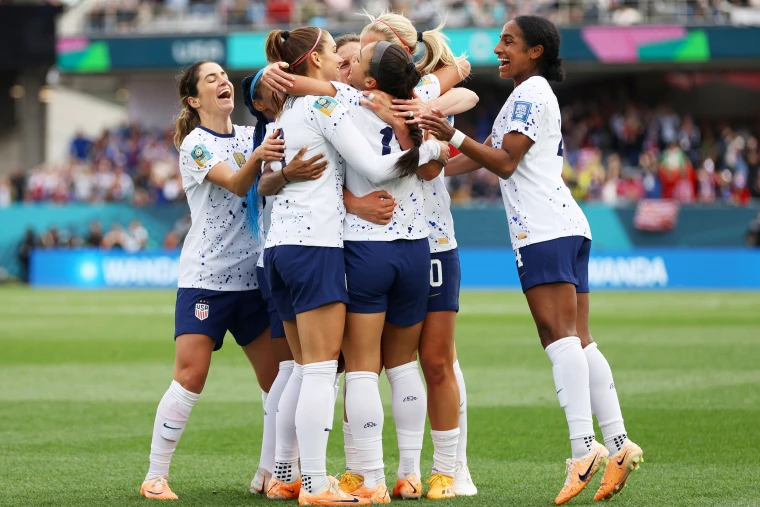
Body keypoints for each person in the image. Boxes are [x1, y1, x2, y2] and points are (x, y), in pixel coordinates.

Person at [419, 15, 643, 505]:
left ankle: (584, 450)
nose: (499, 48)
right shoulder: (529, 93)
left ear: (536, 51)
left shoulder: (529, 94)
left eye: (509, 42)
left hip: (543, 230)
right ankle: (619, 444)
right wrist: (431, 164)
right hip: (563, 225)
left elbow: (503, 162)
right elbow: (483, 157)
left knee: (558, 337)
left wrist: (447, 137)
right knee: (580, 341)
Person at [260, 27, 447, 506]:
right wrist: (431, 144)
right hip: (414, 244)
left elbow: (270, 174)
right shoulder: (416, 103)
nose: (347, 62)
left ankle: (359, 478)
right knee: (401, 367)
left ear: (367, 80)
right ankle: (407, 473)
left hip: (352, 246)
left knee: (340, 370)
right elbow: (453, 97)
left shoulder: (340, 100)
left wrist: (274, 72)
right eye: (338, 55)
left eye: (357, 58)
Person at [139, 60, 315, 501]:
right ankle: (155, 476)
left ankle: (268, 473)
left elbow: (268, 184)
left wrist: (282, 167)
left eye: (224, 76)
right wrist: (260, 157)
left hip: (255, 277)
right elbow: (238, 185)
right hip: (207, 278)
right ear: (193, 99)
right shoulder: (196, 144)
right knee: (191, 375)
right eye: (210, 78)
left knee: (275, 380)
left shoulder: (247, 134)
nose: (222, 82)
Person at [361, 11, 479, 499]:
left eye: (366, 47)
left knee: (438, 360)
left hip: (432, 238)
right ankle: (395, 469)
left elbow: (465, 86)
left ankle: (452, 468)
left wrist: (432, 107)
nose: (355, 55)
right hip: (379, 240)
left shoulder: (421, 92)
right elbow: (461, 79)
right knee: (390, 362)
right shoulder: (357, 96)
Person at [240, 69, 330, 496]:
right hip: (293, 252)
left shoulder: (298, 119)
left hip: (291, 251)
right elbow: (261, 188)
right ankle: (282, 470)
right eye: (266, 90)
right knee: (297, 368)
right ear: (260, 104)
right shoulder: (274, 133)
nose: (278, 90)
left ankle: (276, 471)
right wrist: (289, 173)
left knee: (296, 369)